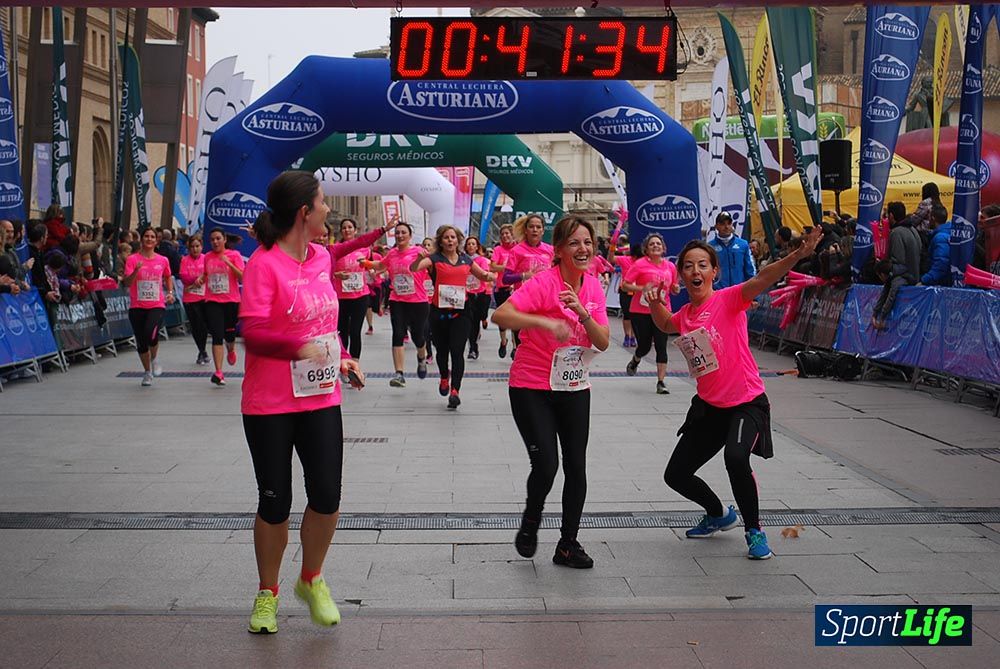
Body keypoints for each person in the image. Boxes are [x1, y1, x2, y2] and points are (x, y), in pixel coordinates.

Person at [646, 228, 822, 560]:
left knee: (736, 457)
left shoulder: (730, 299)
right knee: (676, 474)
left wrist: (798, 255)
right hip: (710, 409)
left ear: (714, 272)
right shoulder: (685, 316)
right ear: (681, 274)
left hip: (746, 403)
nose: (695, 272)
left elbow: (765, 278)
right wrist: (655, 305)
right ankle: (718, 513)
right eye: (688, 266)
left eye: (702, 265)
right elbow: (666, 323)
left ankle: (754, 530)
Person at [240, 170, 364, 635]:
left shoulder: (323, 259)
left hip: (319, 396)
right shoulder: (263, 264)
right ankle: (267, 593)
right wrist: (297, 348)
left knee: (327, 495)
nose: (329, 209)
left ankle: (311, 578)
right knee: (275, 502)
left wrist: (344, 359)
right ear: (303, 212)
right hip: (270, 404)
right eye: (324, 202)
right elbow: (251, 331)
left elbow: (324, 325)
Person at [492, 216, 610, 569]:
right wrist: (543, 321)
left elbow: (602, 342)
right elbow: (501, 315)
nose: (583, 249)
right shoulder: (544, 283)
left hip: (573, 385)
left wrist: (582, 315)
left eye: (587, 242)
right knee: (546, 464)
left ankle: (568, 544)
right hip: (532, 386)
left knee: (576, 465)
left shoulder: (593, 288)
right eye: (574, 243)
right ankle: (531, 520)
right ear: (558, 250)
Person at [411, 226, 494, 408]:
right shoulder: (434, 259)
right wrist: (419, 257)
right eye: (446, 238)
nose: (450, 240)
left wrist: (493, 274)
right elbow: (414, 268)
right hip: (438, 312)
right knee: (442, 351)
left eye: (453, 237)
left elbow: (483, 275)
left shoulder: (466, 260)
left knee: (457, 351)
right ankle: (443, 376)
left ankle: (455, 391)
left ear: (458, 240)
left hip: (461, 312)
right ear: (440, 241)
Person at [360, 221, 429, 387]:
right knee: (398, 333)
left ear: (410, 236)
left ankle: (422, 357)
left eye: (403, 232)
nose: (400, 236)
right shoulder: (391, 254)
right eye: (397, 233)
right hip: (397, 300)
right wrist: (366, 263)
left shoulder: (419, 252)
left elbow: (433, 265)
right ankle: (399, 374)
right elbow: (381, 265)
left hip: (418, 301)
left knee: (418, 337)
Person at [621, 233, 679, 394]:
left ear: (663, 248)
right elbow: (625, 285)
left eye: (658, 244)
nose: (655, 246)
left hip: (662, 311)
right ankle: (636, 359)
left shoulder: (670, 266)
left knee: (661, 346)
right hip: (640, 311)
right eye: (652, 244)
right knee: (645, 346)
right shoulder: (639, 264)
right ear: (646, 248)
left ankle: (661, 382)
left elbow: (673, 287)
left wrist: (675, 289)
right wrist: (641, 288)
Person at [121, 228, 176, 387]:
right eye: (146, 236)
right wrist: (136, 270)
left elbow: (167, 276)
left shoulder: (163, 260)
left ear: (156, 241)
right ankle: (147, 372)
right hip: (137, 306)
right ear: (142, 239)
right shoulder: (132, 259)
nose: (149, 239)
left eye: (153, 237)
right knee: (141, 341)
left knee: (151, 333)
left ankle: (155, 358)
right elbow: (127, 283)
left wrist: (170, 292)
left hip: (156, 304)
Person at [330, 217, 389, 364]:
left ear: (355, 230)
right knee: (342, 332)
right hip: (341, 297)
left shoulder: (365, 249)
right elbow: (327, 271)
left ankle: (354, 365)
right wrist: (337, 275)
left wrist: (372, 272)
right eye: (344, 228)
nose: (347, 230)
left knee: (355, 331)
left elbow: (372, 266)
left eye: (350, 227)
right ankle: (343, 363)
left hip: (360, 296)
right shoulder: (335, 249)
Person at [504, 214, 555, 359]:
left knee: (544, 339)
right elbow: (506, 278)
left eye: (538, 227)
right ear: (526, 230)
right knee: (523, 340)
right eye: (531, 227)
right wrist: (523, 276)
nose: (535, 230)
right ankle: (521, 364)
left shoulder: (550, 250)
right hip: (523, 301)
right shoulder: (517, 250)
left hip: (545, 301)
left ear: (543, 231)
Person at [203, 227, 245, 386]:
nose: (215, 242)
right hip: (212, 301)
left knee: (229, 333)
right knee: (216, 334)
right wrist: (201, 279)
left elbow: (242, 277)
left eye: (218, 238)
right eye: (212, 239)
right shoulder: (207, 257)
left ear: (225, 239)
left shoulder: (234, 255)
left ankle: (231, 349)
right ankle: (219, 372)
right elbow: (207, 274)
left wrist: (229, 264)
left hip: (231, 301)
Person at [872, 201, 920, 330]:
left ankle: (880, 318)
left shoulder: (897, 233)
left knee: (890, 286)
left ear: (892, 216)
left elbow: (898, 261)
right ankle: (877, 315)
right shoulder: (914, 230)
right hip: (915, 274)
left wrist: (884, 267)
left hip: (905, 275)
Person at [179, 234, 210, 365]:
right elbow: (183, 276)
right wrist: (195, 279)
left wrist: (201, 279)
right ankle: (202, 351)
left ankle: (202, 351)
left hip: (204, 296)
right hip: (190, 297)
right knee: (195, 326)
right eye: (192, 247)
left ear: (201, 246)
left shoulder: (206, 259)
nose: (195, 249)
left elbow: (209, 273)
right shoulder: (185, 260)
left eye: (197, 246)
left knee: (203, 325)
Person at [489, 223, 517, 358]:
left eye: (508, 233)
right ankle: (503, 341)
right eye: (503, 234)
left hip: (515, 289)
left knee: (514, 318)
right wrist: (507, 268)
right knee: (503, 319)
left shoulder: (518, 249)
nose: (505, 236)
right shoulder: (498, 250)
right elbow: (493, 267)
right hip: (501, 288)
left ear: (513, 235)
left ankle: (515, 345)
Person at [463, 236, 492, 360]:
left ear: (477, 247)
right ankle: (472, 348)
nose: (470, 246)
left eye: (473, 244)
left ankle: (484, 319)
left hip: (480, 294)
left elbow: (484, 274)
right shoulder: (461, 259)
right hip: (466, 294)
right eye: (468, 244)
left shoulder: (482, 260)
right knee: (470, 322)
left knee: (479, 318)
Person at [708, 212, 756, 288]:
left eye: (729, 223)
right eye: (722, 224)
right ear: (716, 226)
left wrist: (754, 296)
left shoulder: (743, 245)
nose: (726, 226)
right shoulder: (709, 247)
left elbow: (750, 271)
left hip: (739, 291)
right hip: (718, 293)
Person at [608, 235, 639, 347]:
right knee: (627, 315)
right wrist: (612, 246)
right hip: (625, 290)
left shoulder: (643, 261)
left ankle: (633, 337)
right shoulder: (625, 260)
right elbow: (611, 259)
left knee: (636, 316)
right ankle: (627, 336)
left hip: (638, 291)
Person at [919, 203, 952, 287]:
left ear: (933, 218)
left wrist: (924, 280)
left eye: (928, 218)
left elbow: (940, 265)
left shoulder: (940, 238)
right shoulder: (948, 234)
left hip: (941, 284)